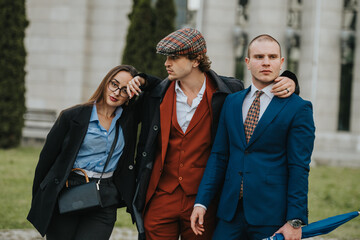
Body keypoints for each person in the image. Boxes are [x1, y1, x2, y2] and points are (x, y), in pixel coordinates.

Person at [131, 28, 299, 240]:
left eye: (174, 57)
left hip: (204, 200)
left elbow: (265, 95)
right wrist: (140, 79)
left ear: (196, 60)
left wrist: (290, 80)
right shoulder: (157, 94)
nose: (167, 63)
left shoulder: (227, 91)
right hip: (161, 197)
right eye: (166, 58)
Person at [190, 34, 315, 240]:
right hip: (230, 213)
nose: (266, 62)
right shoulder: (231, 102)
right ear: (247, 63)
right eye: (259, 57)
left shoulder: (298, 108)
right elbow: (219, 156)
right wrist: (201, 202)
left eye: (272, 57)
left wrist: (295, 220)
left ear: (281, 62)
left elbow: (299, 166)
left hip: (271, 216)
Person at [27, 65, 160, 240]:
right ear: (106, 83)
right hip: (68, 191)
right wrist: (43, 201)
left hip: (105, 197)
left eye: (125, 89)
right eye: (114, 84)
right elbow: (45, 162)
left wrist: (141, 80)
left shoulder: (129, 118)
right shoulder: (72, 116)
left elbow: (158, 87)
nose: (117, 92)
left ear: (131, 94)